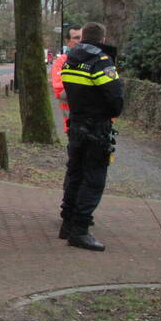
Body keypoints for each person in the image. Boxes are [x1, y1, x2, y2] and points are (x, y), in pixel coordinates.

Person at [58, 22, 123, 251]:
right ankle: (80, 231)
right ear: (102, 40)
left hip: (75, 125)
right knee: (93, 179)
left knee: (75, 174)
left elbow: (66, 91)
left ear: (83, 37)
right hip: (97, 128)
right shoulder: (101, 61)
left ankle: (67, 223)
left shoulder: (70, 59)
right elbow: (115, 98)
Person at [51, 25, 83, 132]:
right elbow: (59, 92)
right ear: (68, 42)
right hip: (72, 122)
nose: (80, 41)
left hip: (96, 124)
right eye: (76, 38)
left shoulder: (95, 59)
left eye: (82, 37)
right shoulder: (61, 62)